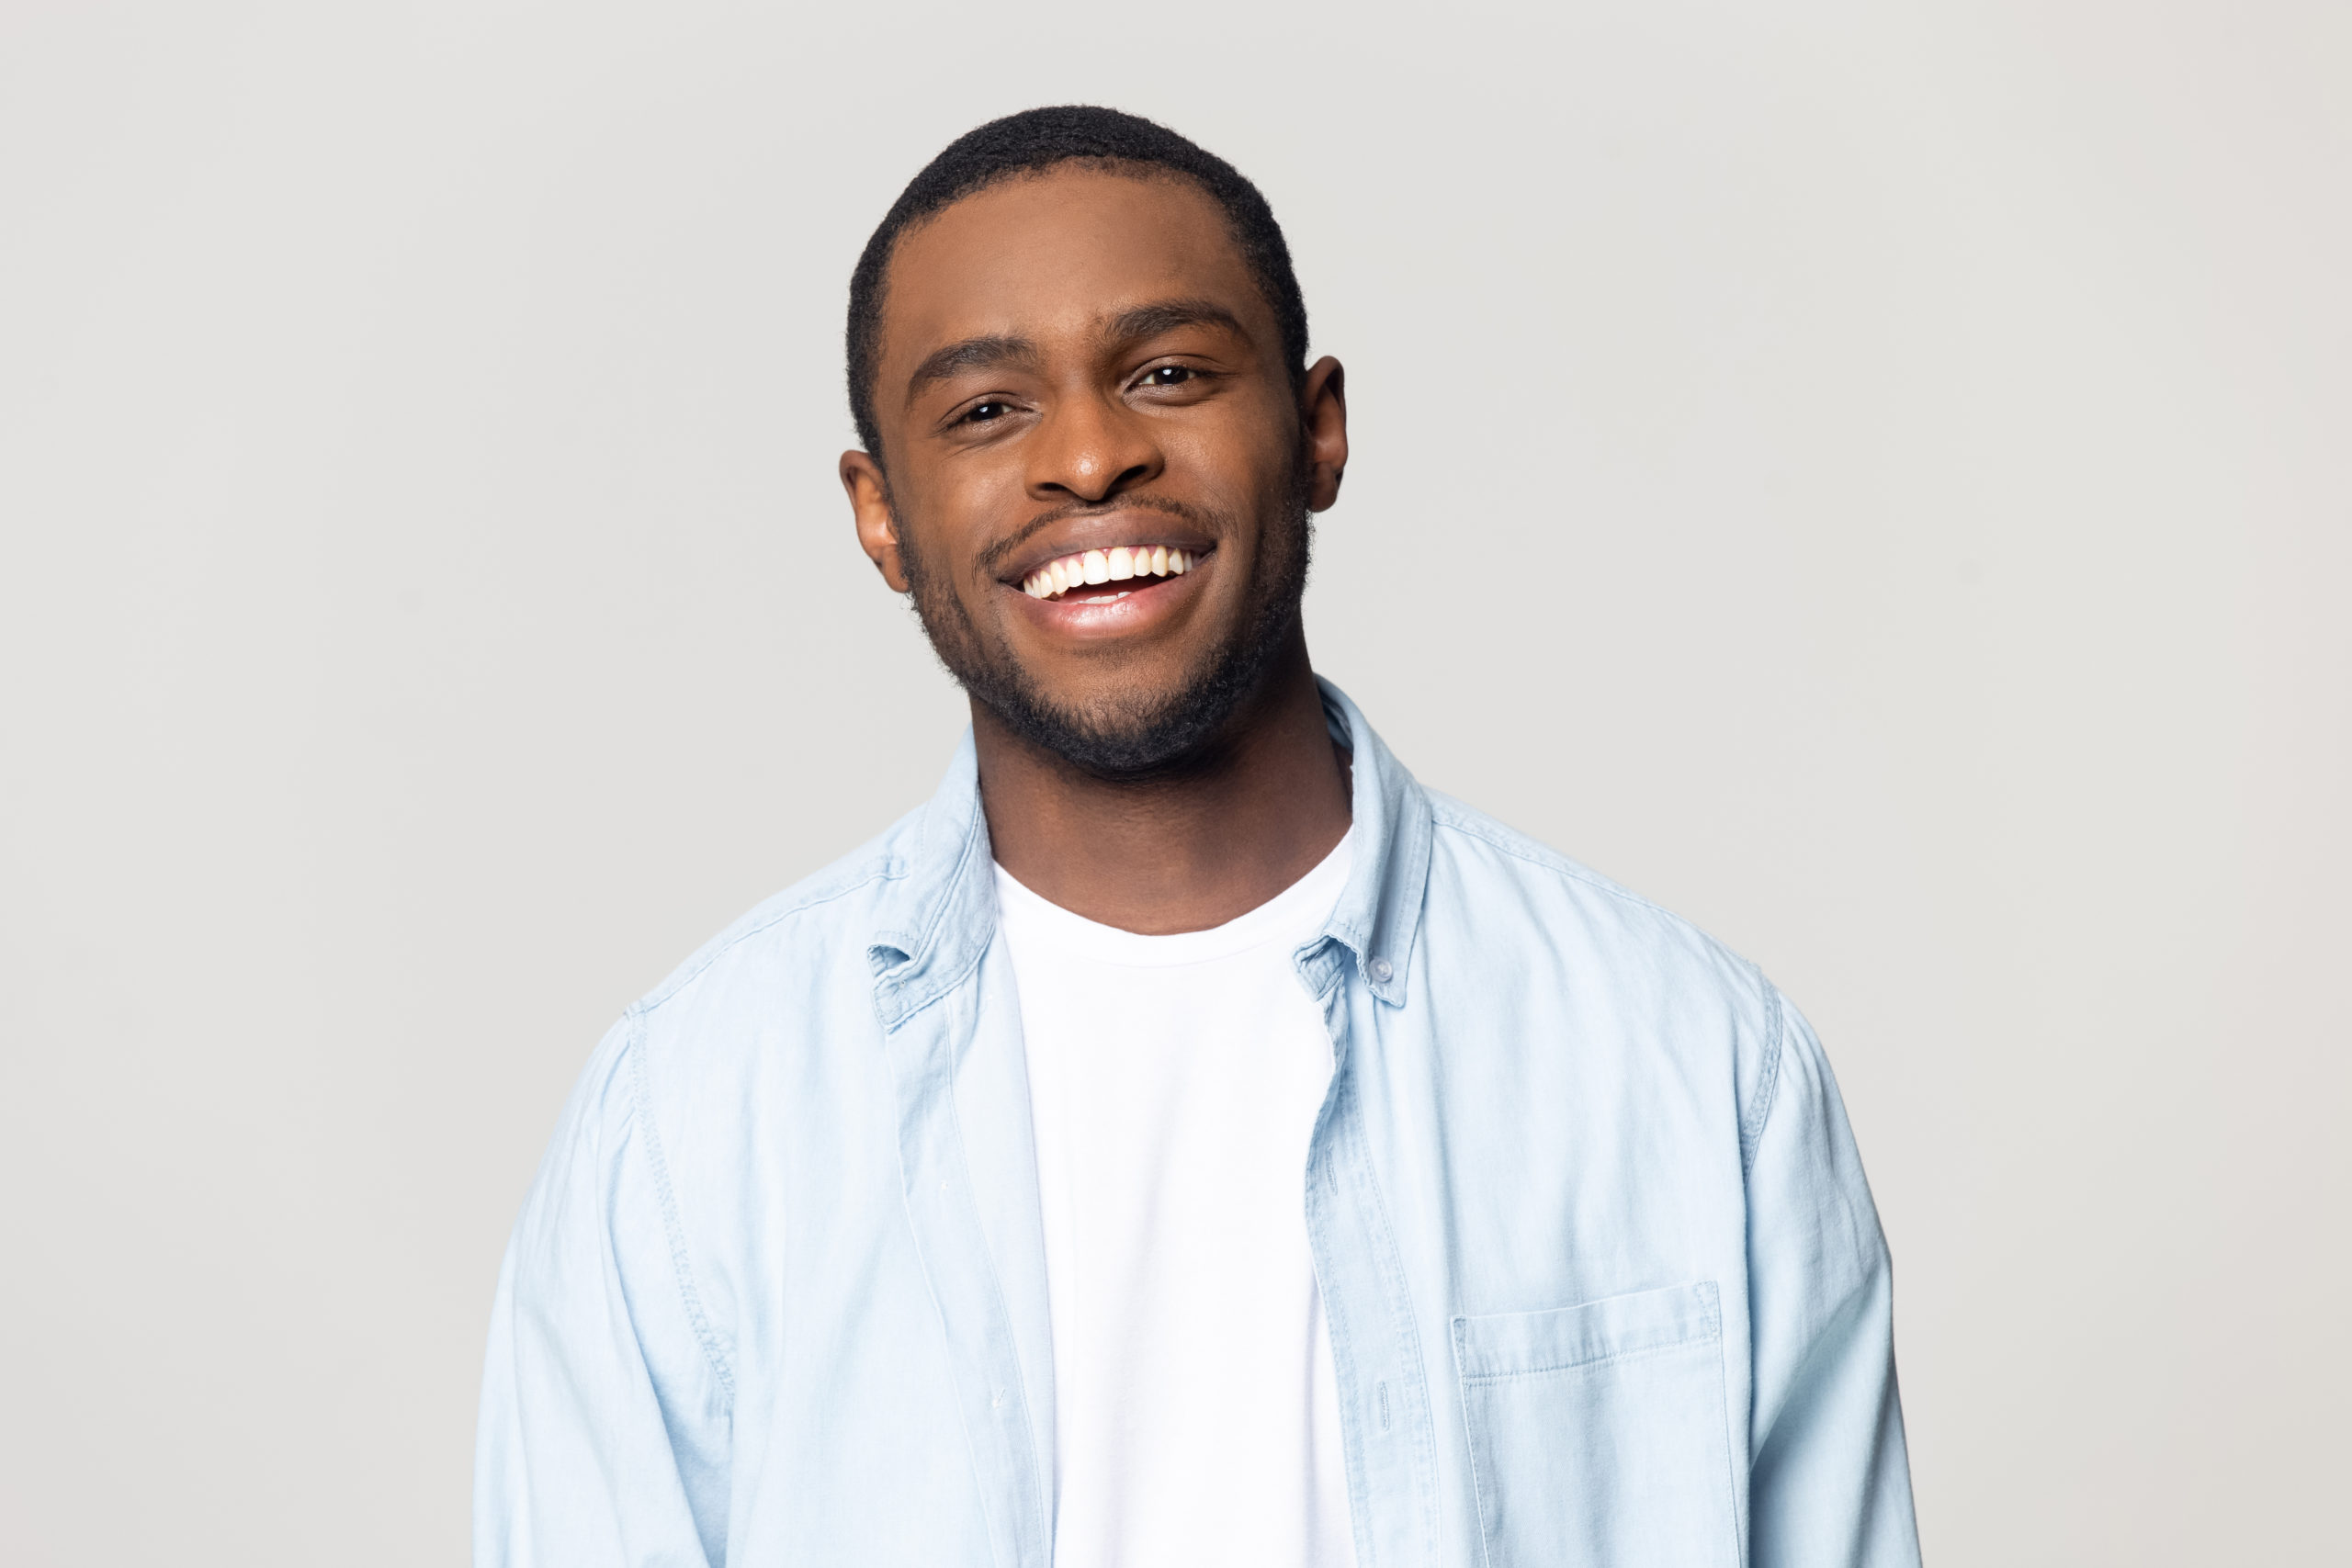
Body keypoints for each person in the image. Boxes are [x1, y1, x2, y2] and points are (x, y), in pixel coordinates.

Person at [473, 105, 1921, 1568]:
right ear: (881, 518)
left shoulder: (1690, 1064)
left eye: (1167, 373)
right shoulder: (688, 1127)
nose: (1092, 458)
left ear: (1317, 431)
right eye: (987, 409)